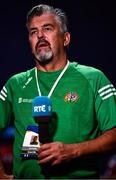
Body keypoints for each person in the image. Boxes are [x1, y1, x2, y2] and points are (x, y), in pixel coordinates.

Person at [0, 4, 116, 179]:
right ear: (30, 43)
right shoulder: (15, 84)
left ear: (66, 38)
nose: (40, 35)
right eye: (33, 32)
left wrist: (73, 150)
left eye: (47, 28)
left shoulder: (94, 79)